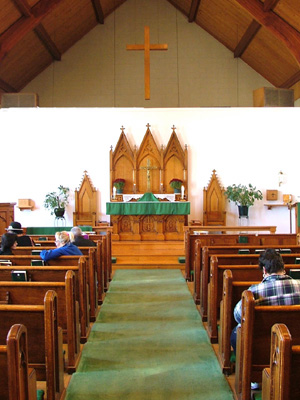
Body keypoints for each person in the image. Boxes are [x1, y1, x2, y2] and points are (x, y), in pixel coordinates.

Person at [230, 248, 300, 390]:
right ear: (283, 267)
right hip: (294, 351)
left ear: (264, 270)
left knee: (236, 332)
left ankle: (253, 376)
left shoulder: (254, 292)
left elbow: (238, 316)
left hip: (265, 355)